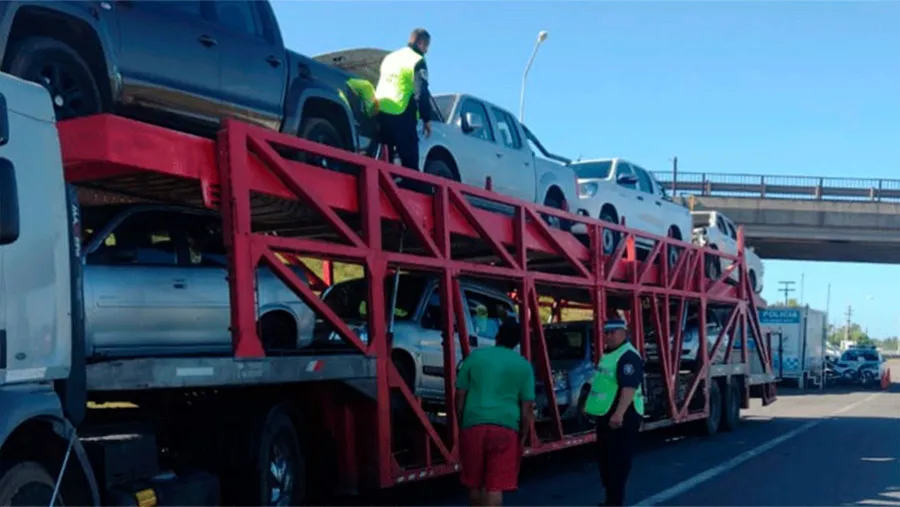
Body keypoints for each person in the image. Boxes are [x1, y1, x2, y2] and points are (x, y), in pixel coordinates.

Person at [455, 319, 535, 506]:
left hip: (473, 424)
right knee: (494, 486)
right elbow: (527, 407)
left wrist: (463, 421)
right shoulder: (523, 365)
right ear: (517, 342)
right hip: (506, 427)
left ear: (497, 336)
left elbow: (459, 395)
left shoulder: (475, 358)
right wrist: (522, 434)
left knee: (474, 484)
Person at [582, 318, 645, 506]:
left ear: (623, 333)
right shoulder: (610, 354)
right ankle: (611, 498)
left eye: (612, 332)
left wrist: (618, 414)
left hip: (623, 416)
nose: (607, 336)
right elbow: (602, 383)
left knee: (617, 462)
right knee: (606, 461)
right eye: (606, 333)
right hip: (606, 415)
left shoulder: (628, 356)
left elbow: (629, 388)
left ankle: (615, 501)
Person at [374, 28, 434, 170]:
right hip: (401, 111)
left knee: (384, 157)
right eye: (426, 46)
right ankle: (411, 188)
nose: (426, 51)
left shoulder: (390, 57)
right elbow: (421, 93)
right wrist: (426, 119)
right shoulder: (417, 60)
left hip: (380, 109)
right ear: (420, 43)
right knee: (410, 160)